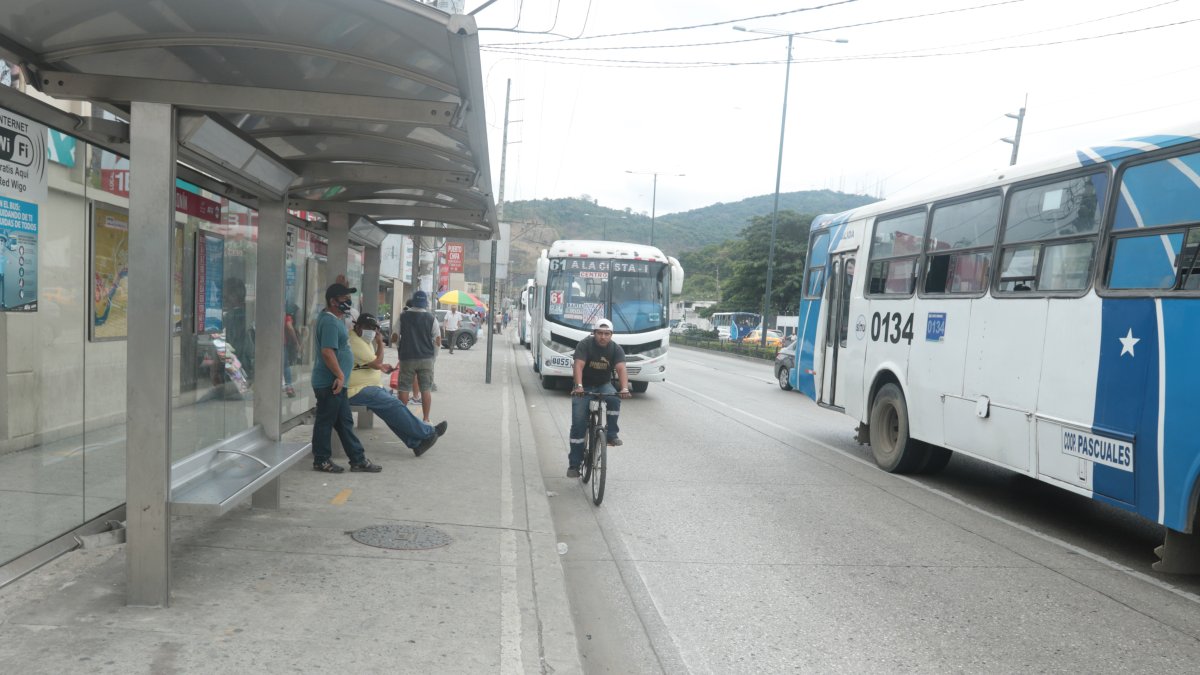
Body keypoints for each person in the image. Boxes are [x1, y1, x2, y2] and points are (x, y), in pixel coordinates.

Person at [347, 312, 447, 456]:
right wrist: (381, 343)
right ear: (358, 327)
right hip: (356, 390)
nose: (371, 331)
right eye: (367, 327)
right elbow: (376, 362)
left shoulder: (363, 341)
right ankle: (428, 433)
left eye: (374, 328)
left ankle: (416, 444)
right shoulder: (355, 341)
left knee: (392, 409)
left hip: (368, 387)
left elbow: (369, 363)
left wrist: (382, 367)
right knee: (394, 405)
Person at [310, 282, 382, 473]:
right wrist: (340, 375)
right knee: (325, 421)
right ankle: (321, 460)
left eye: (349, 299)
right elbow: (327, 352)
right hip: (330, 382)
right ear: (333, 301)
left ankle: (357, 459)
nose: (348, 303)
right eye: (344, 299)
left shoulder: (336, 320)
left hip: (337, 382)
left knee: (344, 422)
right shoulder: (330, 322)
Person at [567, 318, 632, 478]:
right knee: (578, 425)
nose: (603, 337)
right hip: (584, 387)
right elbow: (578, 366)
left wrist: (624, 388)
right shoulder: (585, 345)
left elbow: (621, 369)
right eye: (600, 333)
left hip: (603, 384)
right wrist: (579, 386)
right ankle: (574, 464)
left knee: (614, 399)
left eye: (607, 334)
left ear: (611, 335)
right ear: (594, 333)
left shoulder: (615, 349)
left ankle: (611, 435)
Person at [396, 290, 441, 423]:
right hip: (426, 358)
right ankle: (426, 419)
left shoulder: (403, 316)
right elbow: (437, 340)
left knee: (404, 388)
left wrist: (400, 349)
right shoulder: (431, 318)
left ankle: (403, 419)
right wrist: (433, 357)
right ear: (425, 303)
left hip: (407, 357)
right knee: (426, 389)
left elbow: (394, 336)